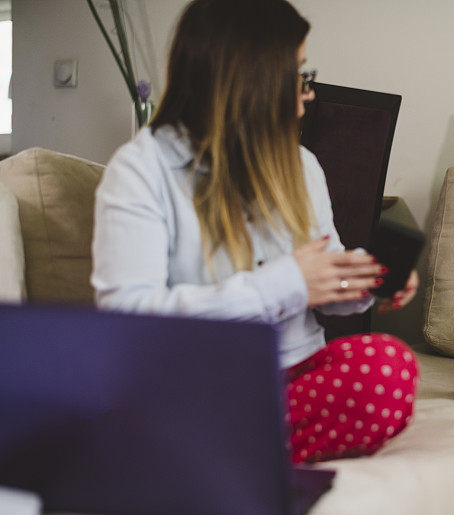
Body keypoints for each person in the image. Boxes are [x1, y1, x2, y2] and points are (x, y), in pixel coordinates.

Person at [91, 0, 418, 463]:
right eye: (299, 75)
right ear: (251, 78)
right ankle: (216, 454)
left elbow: (324, 281)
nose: (309, 94)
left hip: (287, 381)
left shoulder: (303, 167)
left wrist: (367, 282)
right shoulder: (141, 170)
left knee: (387, 368)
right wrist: (284, 283)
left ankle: (215, 456)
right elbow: (129, 321)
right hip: (192, 385)